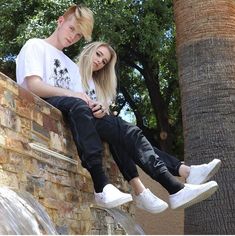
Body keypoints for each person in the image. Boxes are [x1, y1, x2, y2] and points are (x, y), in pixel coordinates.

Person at [16, 4, 219, 211]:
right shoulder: (35, 45)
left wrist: (98, 108)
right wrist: (77, 96)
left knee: (126, 129)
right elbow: (33, 86)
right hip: (50, 104)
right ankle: (102, 185)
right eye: (71, 29)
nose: (73, 37)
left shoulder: (69, 64)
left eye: (78, 36)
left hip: (76, 112)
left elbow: (82, 100)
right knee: (80, 105)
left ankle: (175, 187)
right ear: (60, 21)